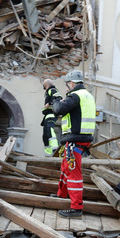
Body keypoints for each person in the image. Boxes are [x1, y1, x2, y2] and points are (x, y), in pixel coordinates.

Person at [47, 70, 96, 217]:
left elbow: (58, 110)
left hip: (75, 140)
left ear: (72, 83)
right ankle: (61, 194)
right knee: (65, 167)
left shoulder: (75, 95)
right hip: (81, 139)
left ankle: (76, 207)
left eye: (67, 85)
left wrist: (56, 100)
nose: (67, 89)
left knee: (74, 172)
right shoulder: (88, 96)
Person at [41, 79, 60, 156]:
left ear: (46, 85)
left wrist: (49, 103)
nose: (43, 87)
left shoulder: (52, 90)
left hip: (51, 114)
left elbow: (58, 99)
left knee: (49, 131)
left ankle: (55, 148)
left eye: (44, 85)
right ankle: (48, 153)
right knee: (45, 135)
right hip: (47, 115)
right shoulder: (49, 91)